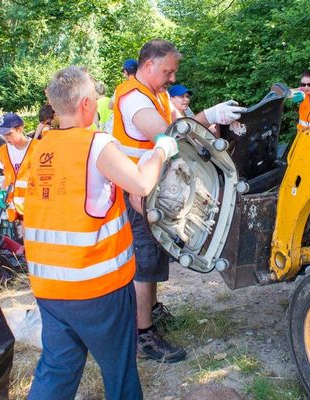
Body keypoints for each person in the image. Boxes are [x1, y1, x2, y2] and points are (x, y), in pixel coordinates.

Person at [24, 65, 178, 399]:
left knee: (56, 370)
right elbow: (139, 181)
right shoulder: (95, 144)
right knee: (119, 371)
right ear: (84, 105)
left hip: (48, 286)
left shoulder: (37, 148)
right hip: (97, 286)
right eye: (94, 98)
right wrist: (162, 148)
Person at [112, 38, 245, 363]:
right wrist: (203, 119)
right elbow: (169, 136)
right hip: (138, 194)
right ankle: (143, 337)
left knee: (155, 256)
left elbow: (182, 126)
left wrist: (213, 116)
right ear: (149, 66)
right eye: (168, 72)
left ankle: (152, 313)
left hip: (157, 191)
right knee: (144, 265)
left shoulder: (155, 93)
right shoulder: (133, 100)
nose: (172, 79)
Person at [0, 113, 34, 222]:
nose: (6, 138)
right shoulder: (3, 151)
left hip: (36, 207)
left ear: (20, 129)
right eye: (3, 135)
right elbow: (7, 177)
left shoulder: (38, 148)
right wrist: (2, 191)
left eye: (9, 134)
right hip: (17, 209)